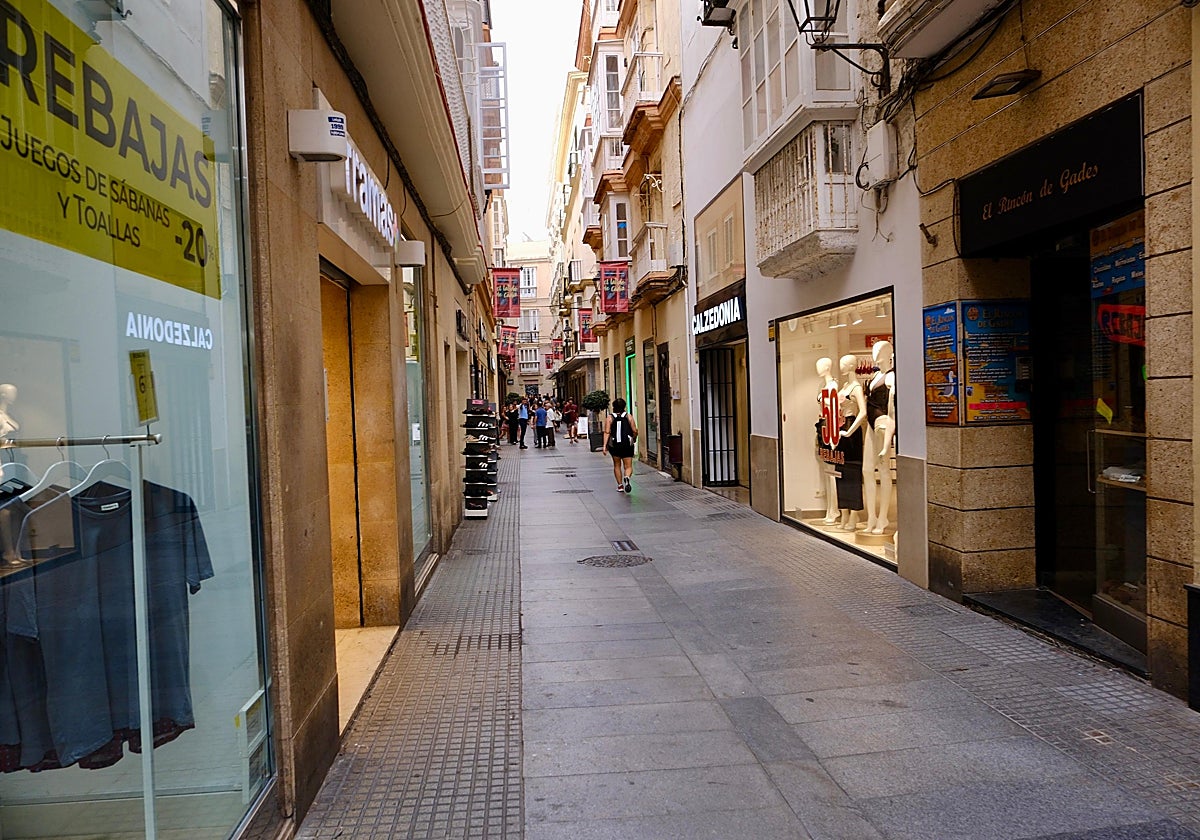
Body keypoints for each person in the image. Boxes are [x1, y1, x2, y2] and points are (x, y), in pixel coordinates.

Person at [603, 397, 638, 493]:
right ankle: (627, 477)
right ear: (624, 406)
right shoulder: (628, 416)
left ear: (613, 407)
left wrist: (604, 446)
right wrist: (634, 438)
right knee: (628, 466)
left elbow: (607, 432)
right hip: (627, 445)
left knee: (617, 465)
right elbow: (634, 430)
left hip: (615, 445)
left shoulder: (610, 417)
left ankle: (620, 485)